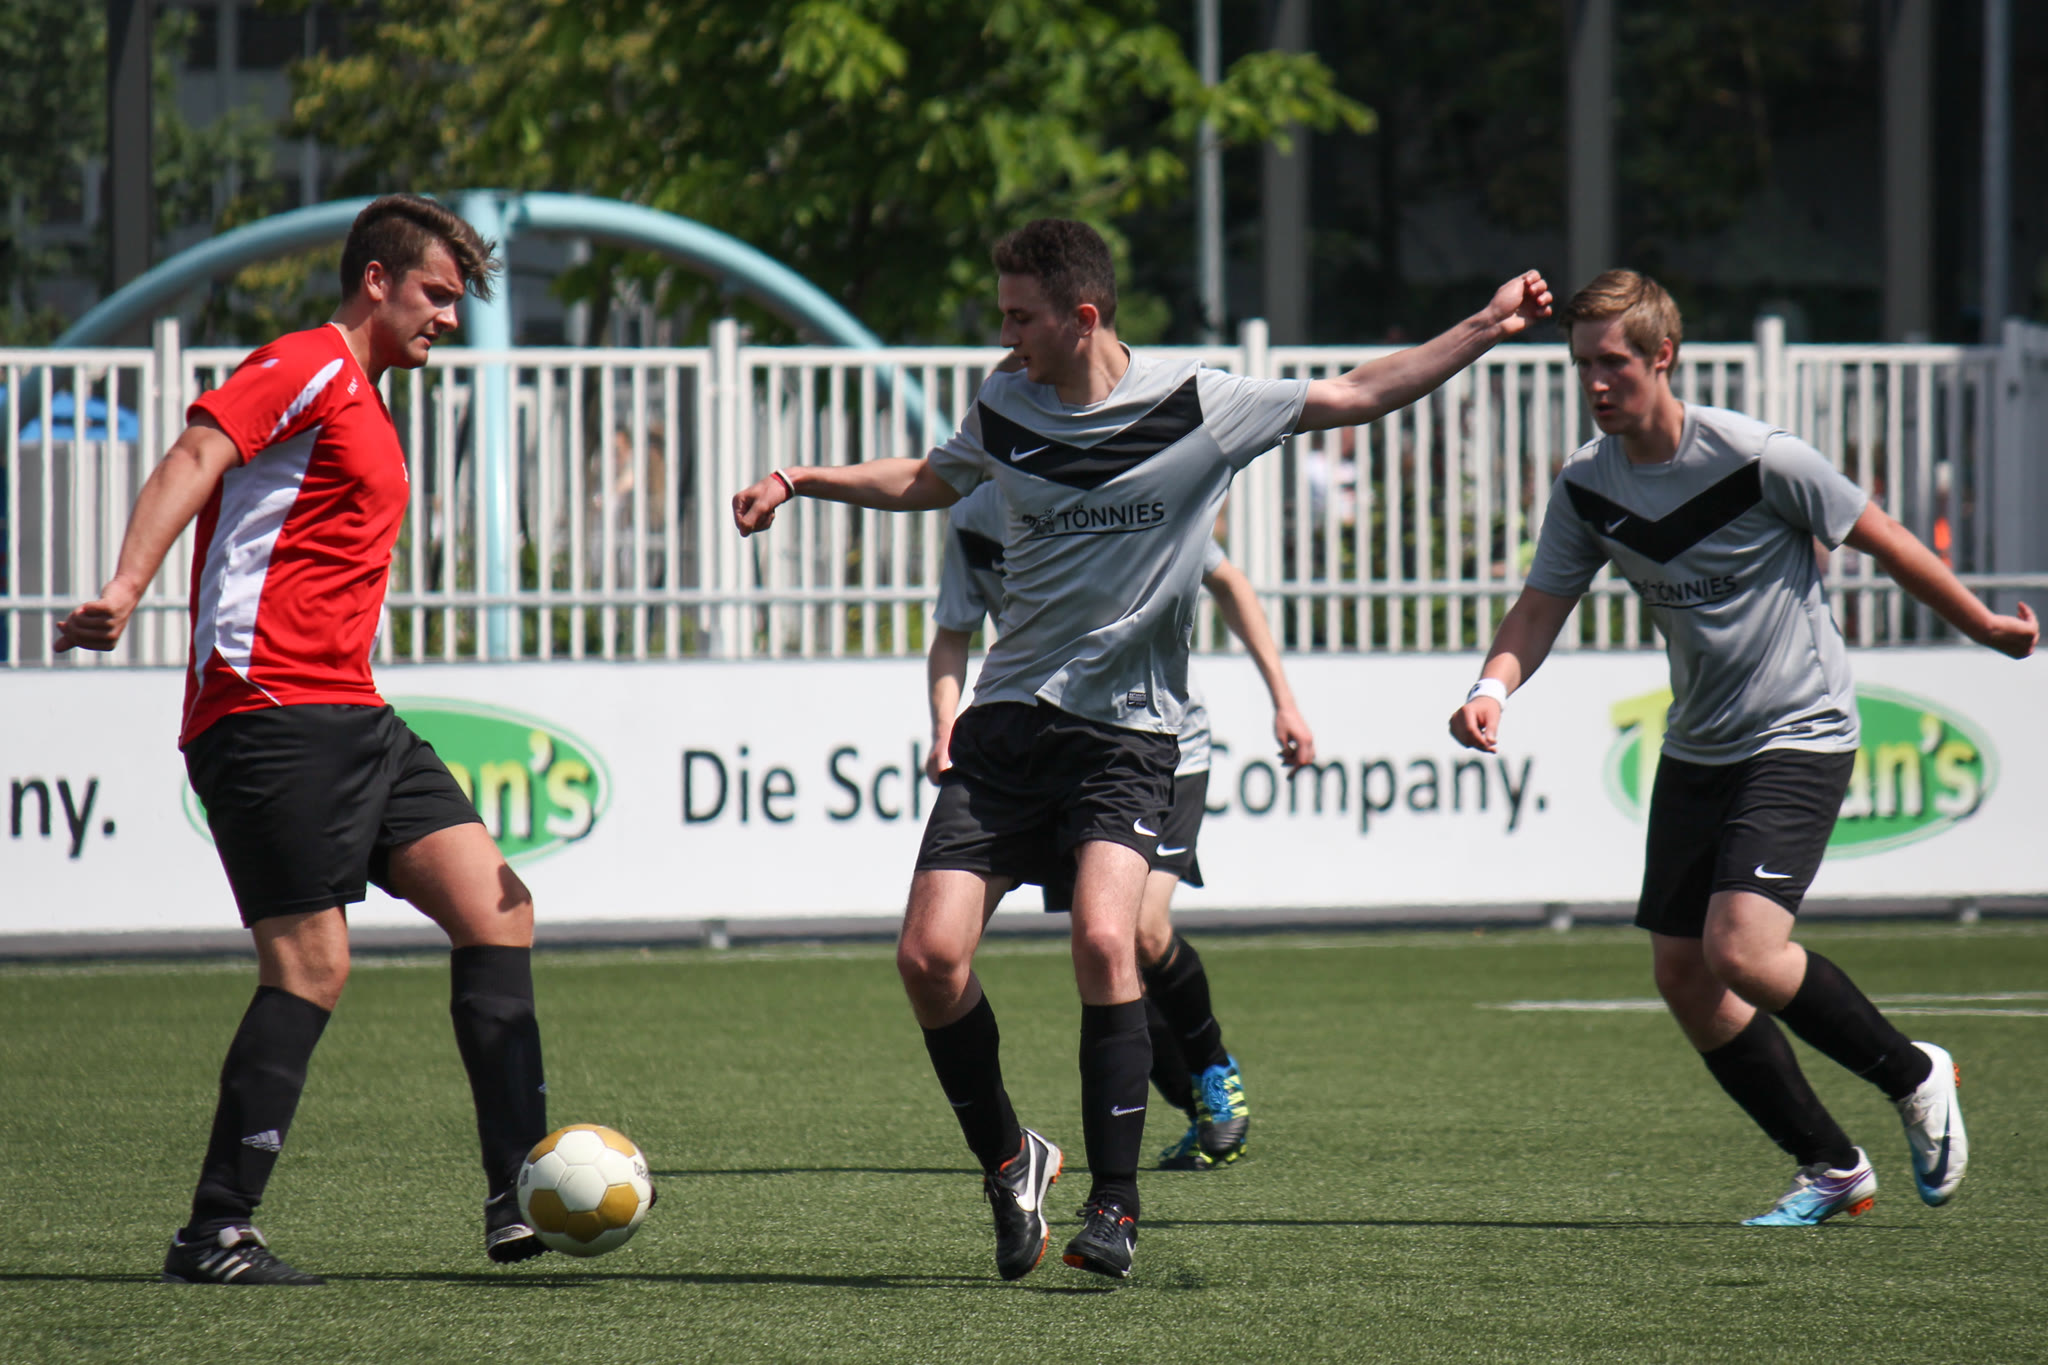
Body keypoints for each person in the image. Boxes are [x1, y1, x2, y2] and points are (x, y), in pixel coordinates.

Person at [736, 217, 1552, 1279]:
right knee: (928, 960)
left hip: (1128, 732)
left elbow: (1357, 393)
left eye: (1020, 316)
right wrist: (800, 479)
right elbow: (932, 479)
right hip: (1007, 722)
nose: (1003, 334)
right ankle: (1012, 1159)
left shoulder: (1197, 404)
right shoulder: (1006, 402)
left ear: (1082, 317)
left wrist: (1485, 324)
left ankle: (1114, 1207)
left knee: (1105, 939)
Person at [1450, 269, 2036, 1226]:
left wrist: (1983, 625)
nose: (1595, 383)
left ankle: (1912, 1071)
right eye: (1582, 364)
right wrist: (1490, 688)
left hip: (1800, 730)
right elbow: (1541, 604)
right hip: (1699, 743)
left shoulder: (1760, 458)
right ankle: (1831, 1166)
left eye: (1613, 363)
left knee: (1743, 951)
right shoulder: (1588, 484)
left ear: (1663, 357)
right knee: (1684, 976)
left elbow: (1885, 537)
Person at [56, 195, 558, 1283]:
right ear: (375, 280)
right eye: (436, 295)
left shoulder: (368, 398)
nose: (449, 320)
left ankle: (521, 1188)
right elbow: (195, 453)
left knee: (498, 906)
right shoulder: (306, 363)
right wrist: (126, 587)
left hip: (353, 713)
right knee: (311, 964)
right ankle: (214, 1232)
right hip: (267, 713)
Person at [925, 481, 1316, 1172]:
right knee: (1107, 950)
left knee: (1135, 930)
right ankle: (1194, 1103)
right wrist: (943, 728)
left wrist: (1283, 700)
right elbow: (953, 633)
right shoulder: (974, 517)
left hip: (1159, 743)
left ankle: (1215, 1076)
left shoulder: (1098, 484)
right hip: (1053, 755)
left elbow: (1227, 581)